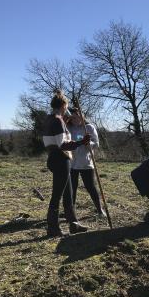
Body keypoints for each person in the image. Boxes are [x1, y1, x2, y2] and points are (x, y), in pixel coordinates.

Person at [42, 90, 89, 237]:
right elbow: (62, 144)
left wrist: (66, 120)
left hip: (56, 158)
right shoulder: (57, 120)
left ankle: (73, 224)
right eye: (66, 106)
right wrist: (81, 142)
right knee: (57, 195)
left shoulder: (50, 119)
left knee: (68, 194)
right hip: (60, 159)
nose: (67, 109)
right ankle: (52, 228)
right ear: (63, 105)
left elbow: (56, 138)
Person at [68, 108, 106, 218]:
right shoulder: (68, 128)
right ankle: (71, 211)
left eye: (78, 116)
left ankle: (99, 209)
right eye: (73, 117)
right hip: (71, 163)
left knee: (90, 187)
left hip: (86, 162)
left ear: (82, 116)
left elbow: (96, 143)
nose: (76, 119)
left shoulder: (89, 127)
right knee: (72, 188)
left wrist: (89, 143)